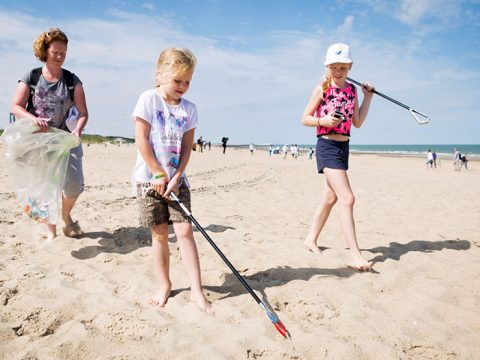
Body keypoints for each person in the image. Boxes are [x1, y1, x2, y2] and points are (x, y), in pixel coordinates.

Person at [131, 47, 213, 314]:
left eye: (188, 81)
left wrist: (176, 176)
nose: (183, 86)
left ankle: (196, 290)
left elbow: (188, 148)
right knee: (159, 235)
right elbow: (141, 140)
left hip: (178, 182)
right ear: (160, 75)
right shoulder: (148, 99)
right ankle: (165, 285)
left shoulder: (190, 109)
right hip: (149, 181)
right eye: (178, 80)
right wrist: (157, 172)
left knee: (186, 233)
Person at [301, 43, 375, 271]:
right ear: (327, 66)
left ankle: (310, 239)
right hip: (327, 146)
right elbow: (304, 118)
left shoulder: (352, 91)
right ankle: (355, 255)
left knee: (331, 198)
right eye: (334, 66)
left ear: (350, 66)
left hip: (344, 148)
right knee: (348, 198)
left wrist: (367, 97)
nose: (338, 71)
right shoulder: (322, 88)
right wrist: (322, 121)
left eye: (343, 67)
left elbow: (358, 123)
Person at [10, 27, 88, 241]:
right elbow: (16, 106)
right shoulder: (31, 76)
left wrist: (78, 129)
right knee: (45, 186)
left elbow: (83, 112)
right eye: (56, 52)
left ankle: (65, 214)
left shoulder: (73, 81)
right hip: (38, 140)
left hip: (65, 139)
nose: (60, 56)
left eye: (63, 52)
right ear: (45, 52)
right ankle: (51, 232)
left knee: (74, 184)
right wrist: (33, 119)